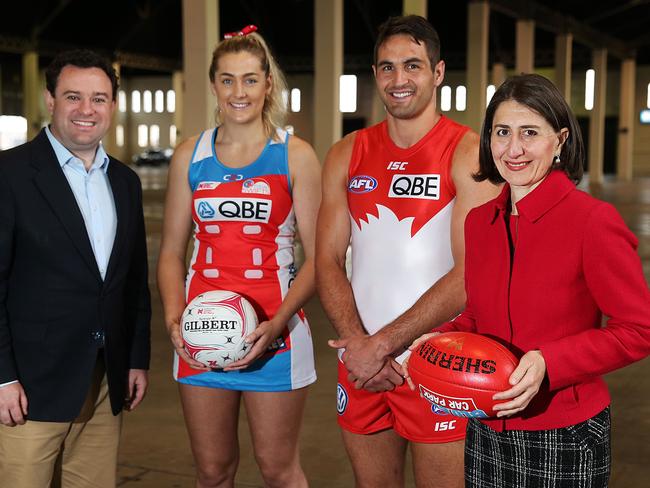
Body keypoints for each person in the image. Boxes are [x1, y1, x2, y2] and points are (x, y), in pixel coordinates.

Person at [404, 73, 650, 487]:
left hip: (564, 432)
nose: (513, 149)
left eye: (530, 133)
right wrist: (438, 340)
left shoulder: (592, 222)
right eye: (502, 132)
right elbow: (478, 317)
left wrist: (548, 362)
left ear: (561, 140)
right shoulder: (480, 222)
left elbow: (639, 329)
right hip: (485, 423)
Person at [316, 15, 499, 487]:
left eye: (412, 66)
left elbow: (469, 275)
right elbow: (327, 260)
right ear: (375, 74)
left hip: (438, 363)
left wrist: (384, 345)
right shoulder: (346, 152)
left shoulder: (467, 152)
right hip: (360, 362)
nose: (399, 80)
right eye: (387, 67)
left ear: (437, 73)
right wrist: (360, 347)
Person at [157, 27, 320, 488]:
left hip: (275, 336)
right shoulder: (191, 154)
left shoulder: (296, 156)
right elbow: (171, 251)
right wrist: (174, 319)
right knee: (212, 471)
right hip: (201, 332)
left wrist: (277, 323)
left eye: (250, 79)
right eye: (227, 80)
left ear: (268, 83)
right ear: (213, 85)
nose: (238, 91)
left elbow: (320, 258)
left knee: (278, 470)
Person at [0, 49, 151, 487]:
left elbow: (133, 283)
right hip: (29, 387)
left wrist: (136, 359)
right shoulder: (10, 176)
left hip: (106, 382)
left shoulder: (125, 182)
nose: (87, 110)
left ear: (113, 106)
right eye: (73, 96)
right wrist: (2, 377)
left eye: (99, 98)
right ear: (50, 99)